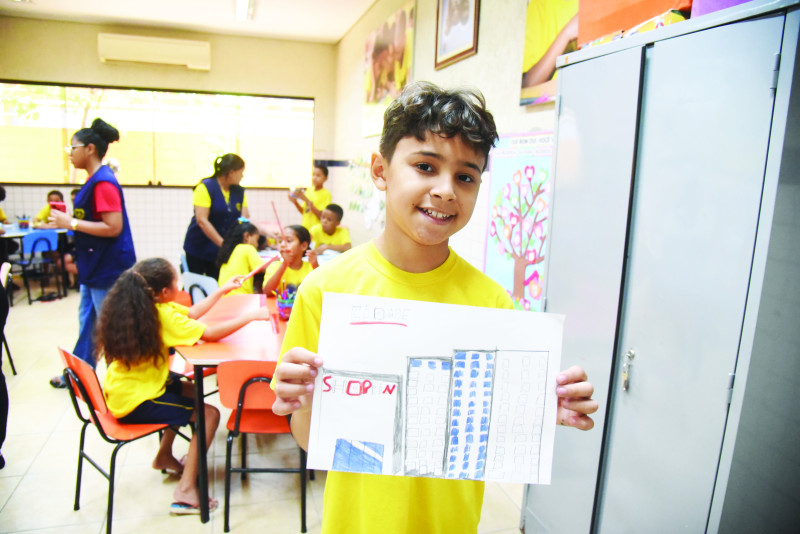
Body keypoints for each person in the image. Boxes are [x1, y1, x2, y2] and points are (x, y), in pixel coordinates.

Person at [271, 82, 598, 533]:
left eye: (466, 177)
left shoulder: (493, 304)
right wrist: (302, 401)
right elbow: (311, 440)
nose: (446, 190)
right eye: (425, 166)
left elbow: (492, 434)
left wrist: (541, 409)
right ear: (381, 171)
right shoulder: (326, 290)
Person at [96, 257, 270, 514]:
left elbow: (191, 313)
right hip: (137, 399)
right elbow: (209, 333)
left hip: (125, 388)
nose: (180, 288)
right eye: (177, 283)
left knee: (192, 390)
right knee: (209, 415)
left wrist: (222, 291)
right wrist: (251, 316)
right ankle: (185, 492)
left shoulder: (143, 307)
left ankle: (164, 455)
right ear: (164, 292)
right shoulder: (162, 316)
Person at [48, 118, 136, 387]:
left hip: (107, 268)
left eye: (72, 148)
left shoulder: (104, 183)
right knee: (88, 322)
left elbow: (113, 226)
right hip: (94, 267)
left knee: (110, 327)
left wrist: (70, 223)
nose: (70, 154)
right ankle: (79, 376)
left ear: (89, 149)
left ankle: (121, 382)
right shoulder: (94, 180)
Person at [183, 154, 249, 280]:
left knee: (217, 284)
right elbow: (202, 220)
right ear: (231, 172)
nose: (242, 176)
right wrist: (224, 244)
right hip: (199, 247)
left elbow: (244, 217)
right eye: (241, 172)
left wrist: (262, 232)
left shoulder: (239, 191)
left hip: (220, 251)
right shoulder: (205, 187)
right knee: (198, 285)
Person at [261, 225, 317, 296]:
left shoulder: (311, 266)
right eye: (281, 241)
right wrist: (284, 264)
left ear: (304, 246)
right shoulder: (275, 266)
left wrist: (316, 266)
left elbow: (321, 291)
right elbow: (267, 292)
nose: (283, 245)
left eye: (288, 241)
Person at [217, 220, 263, 295]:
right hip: (240, 299)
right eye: (257, 240)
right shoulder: (247, 248)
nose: (257, 245)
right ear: (247, 236)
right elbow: (263, 268)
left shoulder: (229, 250)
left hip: (223, 298)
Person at [288, 164, 331, 231]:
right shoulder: (309, 190)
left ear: (325, 178)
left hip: (317, 230)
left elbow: (322, 216)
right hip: (305, 228)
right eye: (313, 175)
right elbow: (304, 212)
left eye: (318, 175)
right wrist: (295, 202)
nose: (314, 178)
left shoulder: (326, 194)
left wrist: (305, 199)